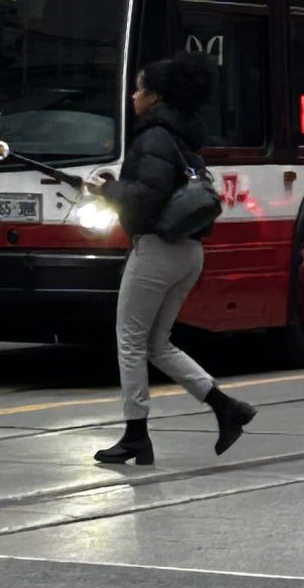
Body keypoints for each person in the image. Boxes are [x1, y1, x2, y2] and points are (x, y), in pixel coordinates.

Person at [94, 53, 256, 470]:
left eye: (139, 89)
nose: (133, 96)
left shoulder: (152, 137)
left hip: (157, 249)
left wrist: (107, 190)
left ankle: (135, 435)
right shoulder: (184, 135)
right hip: (189, 251)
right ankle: (225, 407)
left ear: (156, 96)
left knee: (130, 339)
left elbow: (143, 199)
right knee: (157, 343)